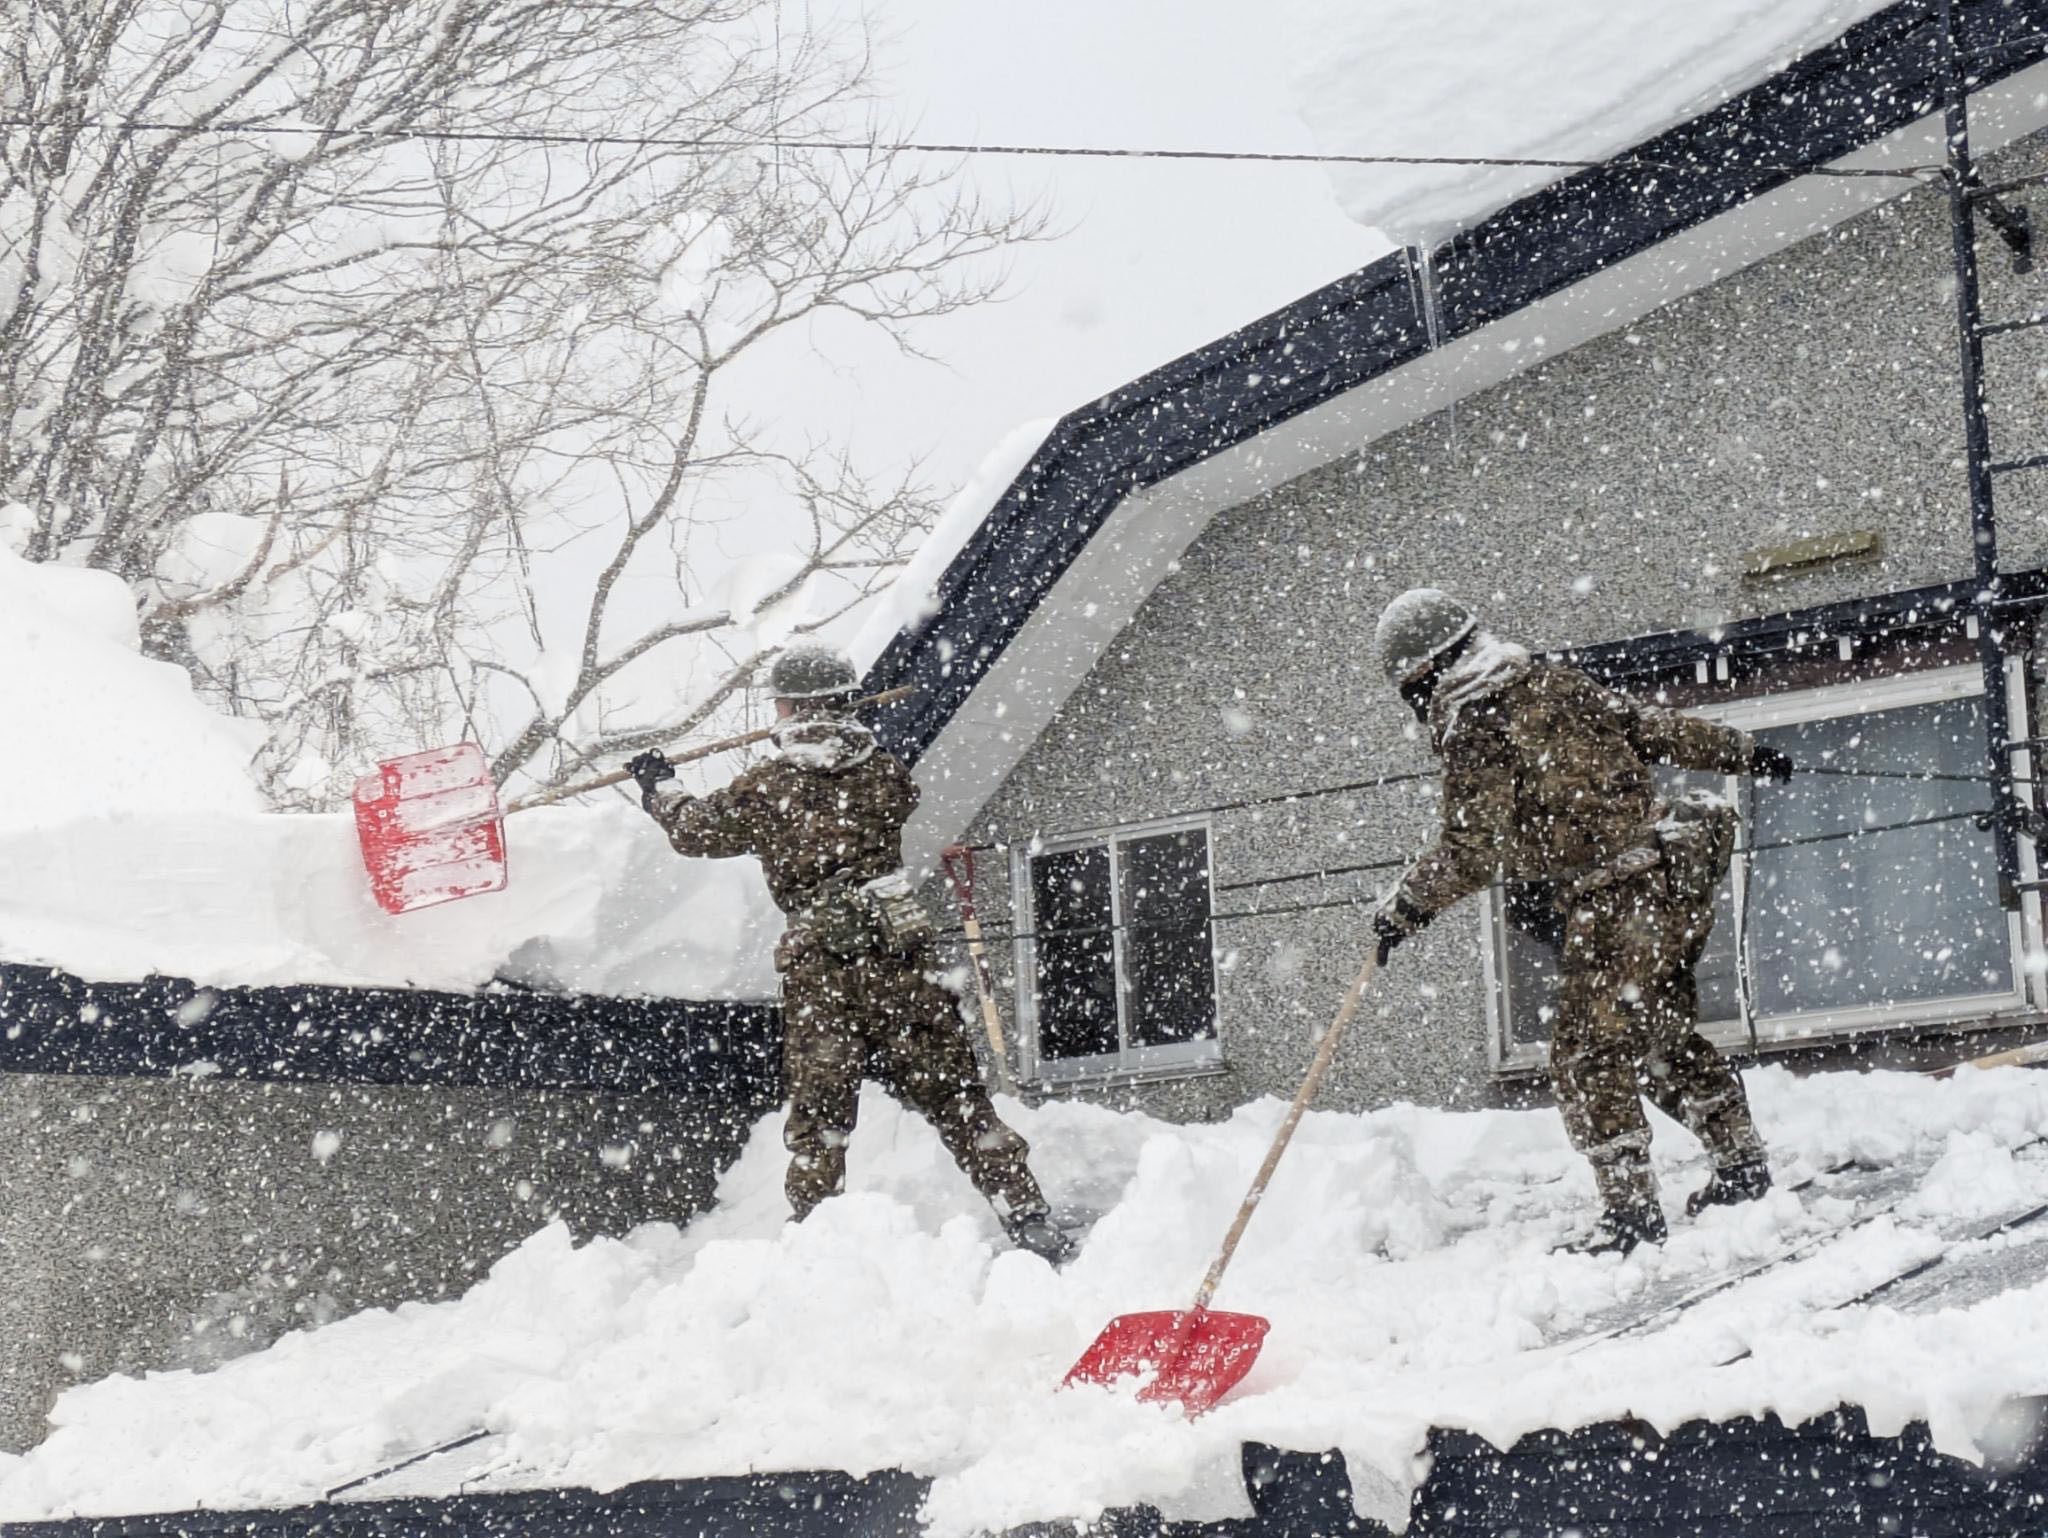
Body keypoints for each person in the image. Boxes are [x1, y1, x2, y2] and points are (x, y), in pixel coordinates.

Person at [1368, 589, 1795, 1254]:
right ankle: (1740, 1164)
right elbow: (1652, 728)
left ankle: (1630, 1216)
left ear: (1433, 671)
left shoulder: (1478, 725)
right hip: (1671, 885)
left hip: (1617, 900)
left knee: (1586, 1056)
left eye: (1412, 688)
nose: (1417, 703)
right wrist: (1744, 752)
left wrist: (1406, 908)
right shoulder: (1557, 684)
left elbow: (1471, 851)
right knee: (1658, 1036)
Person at [623, 644, 1075, 1264]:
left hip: (823, 970)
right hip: (899, 957)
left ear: (793, 706)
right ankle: (1025, 1211)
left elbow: (696, 832)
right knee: (954, 1095)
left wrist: (660, 786)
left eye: (780, 703)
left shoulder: (771, 787)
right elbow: (890, 793)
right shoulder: (883, 774)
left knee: (820, 1115)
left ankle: (817, 1240)